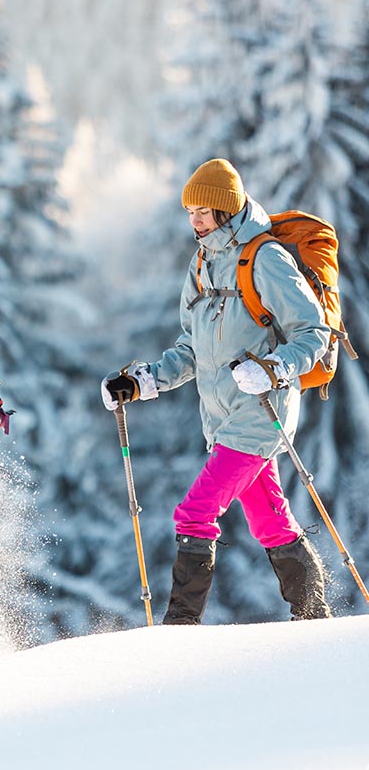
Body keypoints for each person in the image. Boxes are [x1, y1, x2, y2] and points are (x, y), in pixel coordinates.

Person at [101, 158, 332, 624]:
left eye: (204, 211)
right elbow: (192, 346)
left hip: (259, 413)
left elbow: (314, 332)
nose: (195, 220)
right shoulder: (203, 264)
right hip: (222, 417)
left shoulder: (265, 258)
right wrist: (145, 381)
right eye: (190, 212)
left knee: (193, 513)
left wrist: (273, 369)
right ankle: (314, 620)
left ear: (227, 210)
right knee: (270, 521)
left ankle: (180, 629)